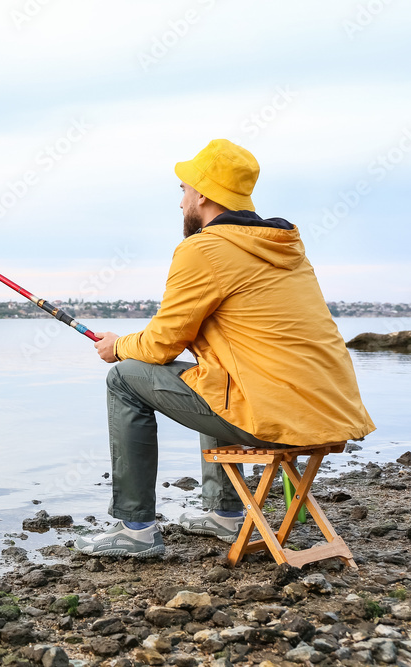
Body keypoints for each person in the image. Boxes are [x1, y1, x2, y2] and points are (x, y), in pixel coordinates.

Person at [74, 139, 375, 558]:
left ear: (202, 194)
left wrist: (118, 345)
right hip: (329, 413)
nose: (180, 203)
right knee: (211, 375)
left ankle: (135, 528)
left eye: (182, 191)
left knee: (123, 378)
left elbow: (161, 345)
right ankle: (225, 513)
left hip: (279, 419)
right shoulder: (283, 247)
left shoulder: (204, 249)